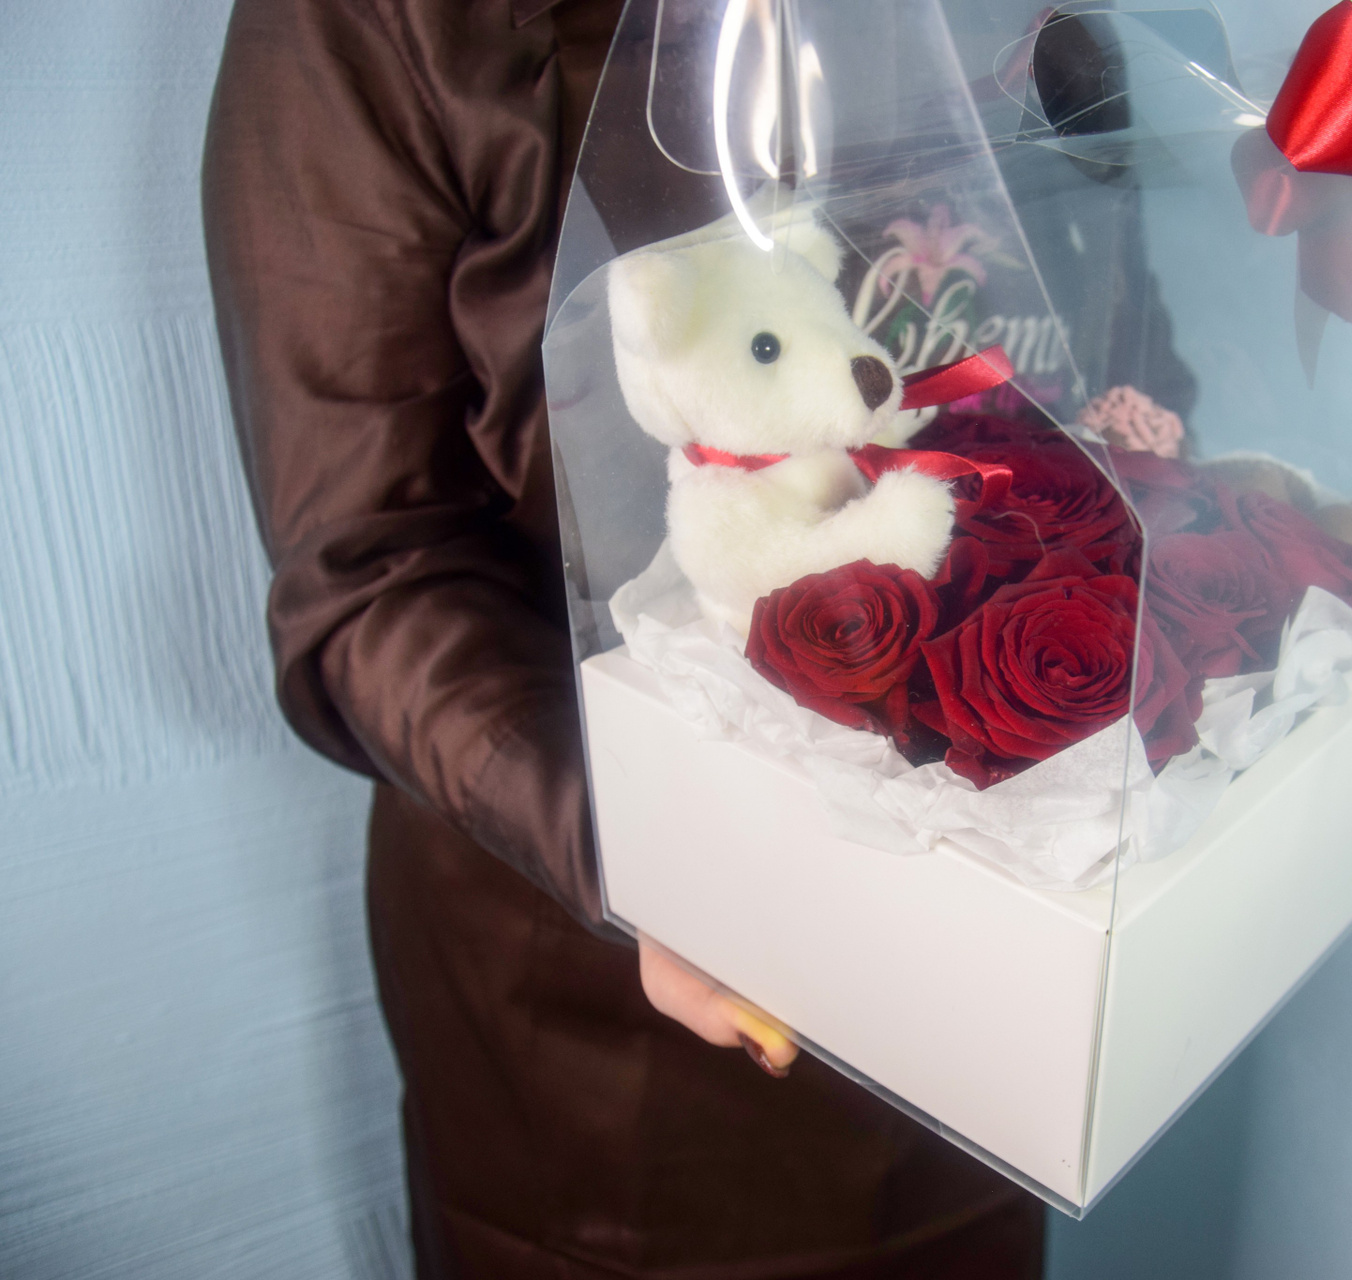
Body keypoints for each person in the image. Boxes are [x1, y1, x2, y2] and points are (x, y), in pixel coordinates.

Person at [201, 0, 1047, 1274]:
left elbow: (1053, 294)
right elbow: (369, 572)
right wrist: (654, 854)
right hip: (601, 1019)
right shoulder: (369, 25)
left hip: (976, 942)